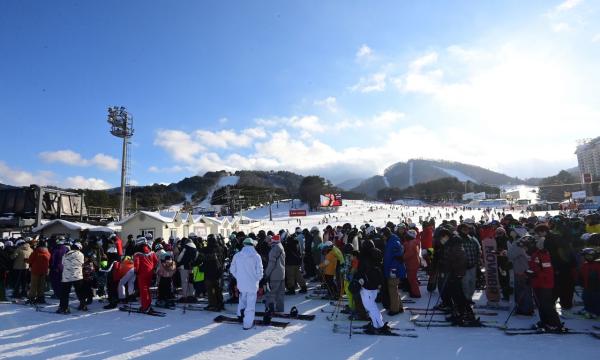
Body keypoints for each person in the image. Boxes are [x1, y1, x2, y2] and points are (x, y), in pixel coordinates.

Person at [528, 233, 564, 331]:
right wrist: (530, 273)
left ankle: (555, 323)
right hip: (537, 283)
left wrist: (536, 274)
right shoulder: (536, 253)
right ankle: (545, 321)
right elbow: (533, 266)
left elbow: (548, 272)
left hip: (545, 284)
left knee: (546, 305)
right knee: (540, 304)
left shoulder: (544, 255)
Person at [356, 239, 390, 334]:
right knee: (371, 306)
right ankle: (375, 322)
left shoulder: (366, 257)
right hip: (374, 286)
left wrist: (359, 279)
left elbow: (361, 271)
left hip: (367, 286)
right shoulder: (375, 254)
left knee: (370, 306)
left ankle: (379, 325)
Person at [230, 237, 263, 329]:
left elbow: (232, 269)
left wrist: (239, 277)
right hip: (252, 284)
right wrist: (256, 279)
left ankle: (240, 317)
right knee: (250, 305)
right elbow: (260, 271)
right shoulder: (256, 256)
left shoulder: (237, 255)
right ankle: (247, 324)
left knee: (242, 300)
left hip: (241, 284)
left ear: (244, 245)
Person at [507, 235, 535, 315]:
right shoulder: (529, 243)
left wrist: (514, 246)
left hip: (521, 270)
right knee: (527, 290)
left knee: (523, 290)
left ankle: (524, 309)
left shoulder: (519, 245)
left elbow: (510, 255)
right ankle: (528, 308)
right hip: (527, 269)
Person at [382, 228, 405, 315]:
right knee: (394, 289)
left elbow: (397, 257)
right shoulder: (393, 240)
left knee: (392, 289)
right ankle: (399, 306)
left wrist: (392, 271)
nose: (383, 237)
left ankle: (395, 309)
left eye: (383, 235)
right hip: (392, 267)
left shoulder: (393, 242)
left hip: (393, 269)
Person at [58, 242, 85, 314]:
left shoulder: (66, 254)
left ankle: (64, 308)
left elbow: (63, 263)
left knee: (65, 293)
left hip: (67, 276)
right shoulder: (81, 254)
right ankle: (83, 305)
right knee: (79, 291)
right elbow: (82, 263)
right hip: (78, 276)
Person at [134, 238, 159, 312]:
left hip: (142, 273)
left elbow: (136, 264)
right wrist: (153, 268)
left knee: (143, 290)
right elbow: (156, 261)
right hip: (150, 272)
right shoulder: (151, 251)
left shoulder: (137, 253)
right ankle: (148, 304)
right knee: (147, 289)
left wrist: (136, 271)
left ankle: (145, 307)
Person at [264, 234, 285, 313]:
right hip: (282, 274)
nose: (269, 243)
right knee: (280, 294)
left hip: (274, 275)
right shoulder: (281, 247)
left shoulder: (274, 250)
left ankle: (270, 309)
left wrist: (266, 274)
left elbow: (271, 264)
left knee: (272, 293)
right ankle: (280, 309)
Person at [579, 248, 600, 318]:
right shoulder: (584, 265)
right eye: (586, 256)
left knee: (595, 299)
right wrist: (580, 280)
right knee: (585, 298)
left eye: (589, 256)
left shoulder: (597, 264)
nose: (588, 257)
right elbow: (581, 274)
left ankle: (596, 312)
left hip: (596, 287)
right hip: (586, 286)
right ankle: (588, 309)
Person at [403, 229, 421, 298]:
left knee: (412, 279)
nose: (406, 236)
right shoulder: (413, 242)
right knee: (413, 278)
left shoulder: (412, 243)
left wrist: (401, 258)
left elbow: (409, 253)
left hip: (412, 264)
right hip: (414, 262)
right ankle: (414, 291)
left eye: (407, 235)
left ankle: (416, 293)